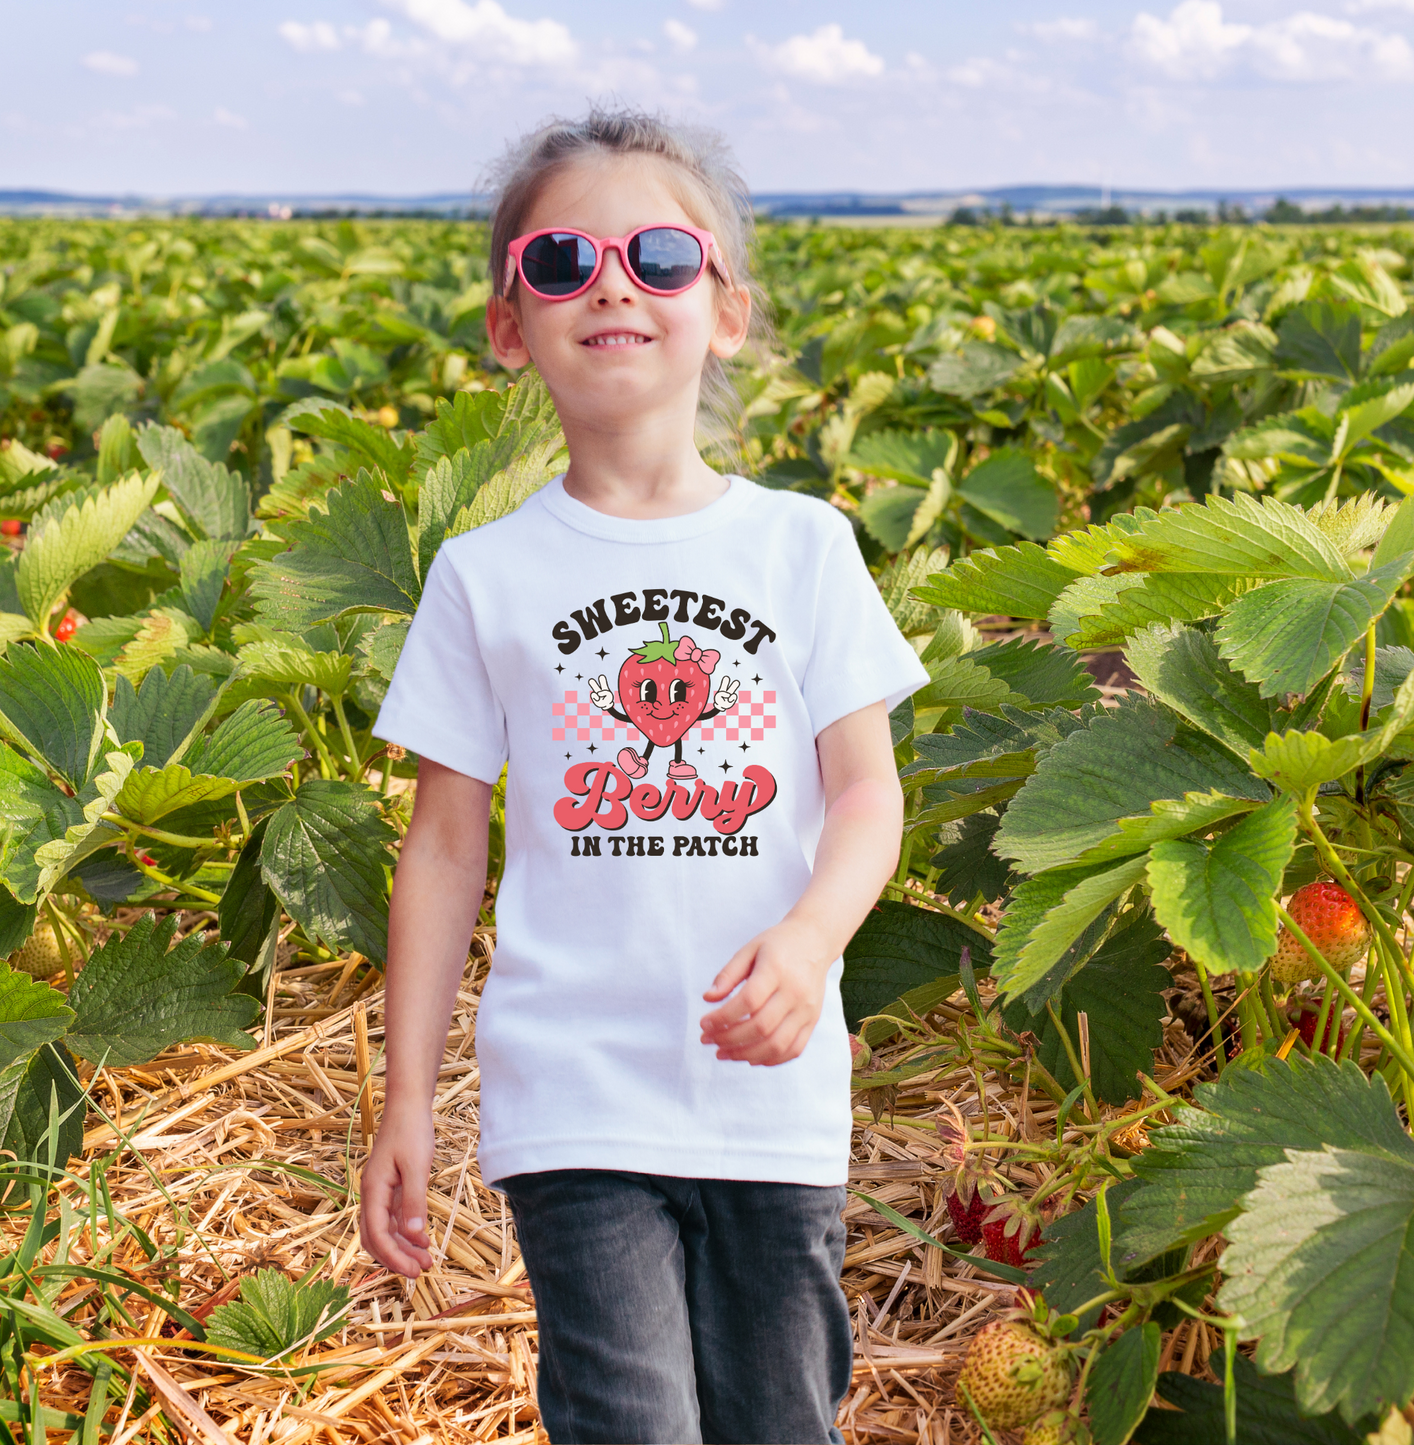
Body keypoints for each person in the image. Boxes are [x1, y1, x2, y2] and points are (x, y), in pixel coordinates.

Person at [361, 106, 927, 1445]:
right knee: (632, 1424)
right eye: (560, 261)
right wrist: (404, 1101)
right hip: (572, 1088)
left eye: (663, 255)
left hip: (769, 1087)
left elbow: (867, 795)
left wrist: (809, 938)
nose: (612, 281)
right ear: (511, 325)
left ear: (725, 309)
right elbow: (444, 850)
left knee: (783, 1419)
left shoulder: (802, 548)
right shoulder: (483, 575)